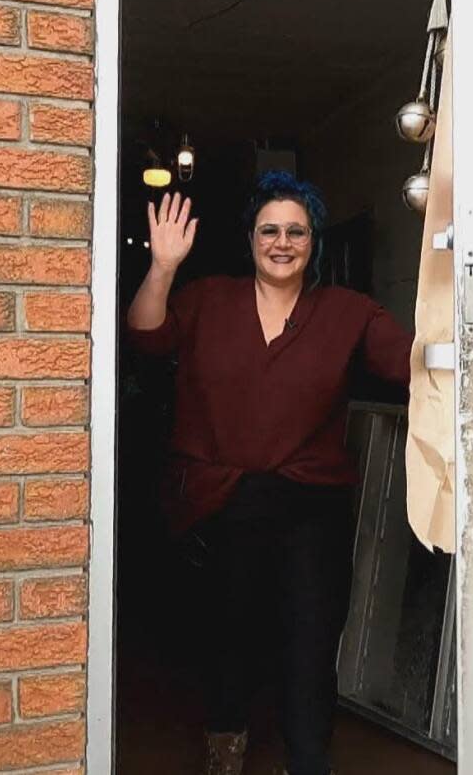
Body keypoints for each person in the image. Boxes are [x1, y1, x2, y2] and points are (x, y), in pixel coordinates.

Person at [125, 171, 414, 775]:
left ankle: (308, 761)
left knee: (310, 644)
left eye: (296, 231)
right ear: (250, 237)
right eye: (269, 230)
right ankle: (224, 745)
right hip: (224, 500)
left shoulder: (347, 311)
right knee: (230, 637)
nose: (282, 242)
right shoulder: (207, 298)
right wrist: (163, 266)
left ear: (315, 241)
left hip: (312, 504)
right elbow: (146, 335)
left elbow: (415, 363)